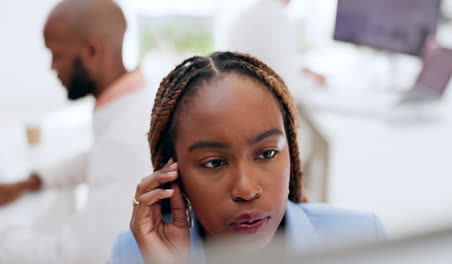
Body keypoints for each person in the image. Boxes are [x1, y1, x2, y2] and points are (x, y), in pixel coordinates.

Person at [110, 51, 385, 264]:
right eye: (214, 163)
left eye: (267, 153)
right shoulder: (134, 253)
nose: (246, 189)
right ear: (172, 172)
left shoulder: (360, 238)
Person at [0, 0, 152, 262]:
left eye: (56, 55)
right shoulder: (135, 104)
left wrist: (5, 230)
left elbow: (79, 257)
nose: (52, 66)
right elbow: (96, 157)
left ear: (93, 51)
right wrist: (32, 182)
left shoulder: (124, 136)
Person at [224, 0, 329, 202]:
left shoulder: (250, 14)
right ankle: (304, 207)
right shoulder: (276, 19)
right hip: (259, 127)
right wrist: (310, 82)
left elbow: (270, 64)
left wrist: (300, 72)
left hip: (241, 116)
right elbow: (288, 85)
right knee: (319, 142)